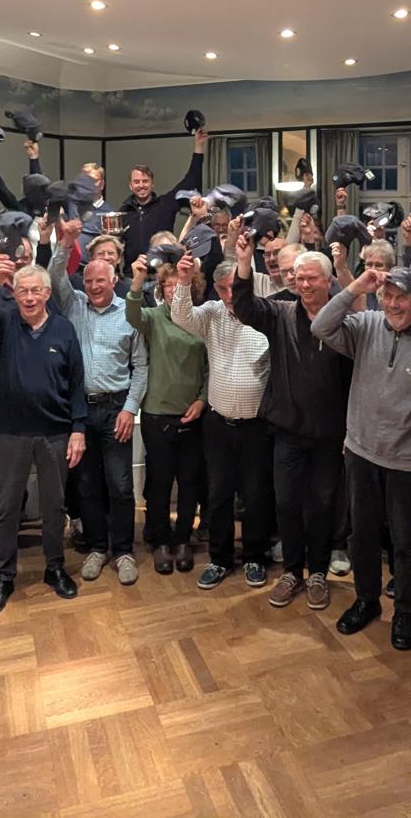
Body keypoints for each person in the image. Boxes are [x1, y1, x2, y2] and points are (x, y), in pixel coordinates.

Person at [313, 266, 411, 653]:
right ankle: (367, 600)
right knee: (361, 535)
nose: (393, 304)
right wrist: (355, 288)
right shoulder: (366, 324)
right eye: (387, 296)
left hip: (409, 460)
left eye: (402, 297)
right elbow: (321, 327)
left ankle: (405, 611)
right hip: (361, 453)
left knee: (407, 542)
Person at [231, 235, 353, 611]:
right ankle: (292, 571)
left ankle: (317, 572)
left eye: (311, 278)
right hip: (287, 431)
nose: (304, 284)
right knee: (286, 503)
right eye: (299, 278)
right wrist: (243, 263)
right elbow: (245, 307)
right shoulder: (281, 313)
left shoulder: (346, 323)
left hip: (329, 435)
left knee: (321, 505)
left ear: (328, 281)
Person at [0, 264, 88, 616]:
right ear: (15, 294)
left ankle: (55, 567)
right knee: (4, 508)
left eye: (37, 290)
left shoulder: (63, 329)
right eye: (23, 291)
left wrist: (78, 429)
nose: (30, 297)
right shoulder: (4, 323)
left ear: (48, 294)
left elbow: (77, 382)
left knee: (54, 506)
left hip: (55, 432)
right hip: (8, 433)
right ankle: (3, 576)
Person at [51, 219, 148, 585]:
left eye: (100, 280)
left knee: (120, 485)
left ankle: (123, 551)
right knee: (87, 485)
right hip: (79, 411)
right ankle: (96, 547)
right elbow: (55, 275)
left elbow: (141, 366)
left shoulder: (129, 312)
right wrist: (66, 242)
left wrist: (130, 408)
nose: (93, 286)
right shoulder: (74, 304)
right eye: (88, 280)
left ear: (113, 279)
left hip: (115, 409)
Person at [170, 256, 274, 590]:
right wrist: (184, 281)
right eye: (224, 288)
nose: (230, 295)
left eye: (235, 287)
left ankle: (255, 557)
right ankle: (219, 559)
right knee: (218, 495)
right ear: (216, 289)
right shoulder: (212, 313)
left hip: (257, 425)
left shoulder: (264, 313)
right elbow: (181, 316)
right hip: (218, 424)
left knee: (256, 496)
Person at [126, 254, 210, 575]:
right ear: (161, 290)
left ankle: (183, 537)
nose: (174, 291)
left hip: (193, 415)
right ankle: (159, 539)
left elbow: (210, 368)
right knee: (159, 482)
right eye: (168, 286)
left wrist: (202, 400)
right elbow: (132, 315)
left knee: (189, 482)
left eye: (180, 285)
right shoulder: (154, 317)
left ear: (192, 288)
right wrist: (137, 281)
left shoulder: (201, 320)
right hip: (157, 414)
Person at [119, 126, 207, 263]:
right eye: (136, 182)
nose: (141, 185)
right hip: (132, 272)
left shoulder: (166, 204)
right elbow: (116, 246)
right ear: (130, 186)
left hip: (163, 271)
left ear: (152, 184)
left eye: (145, 181)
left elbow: (191, 178)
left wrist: (198, 146)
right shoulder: (123, 212)